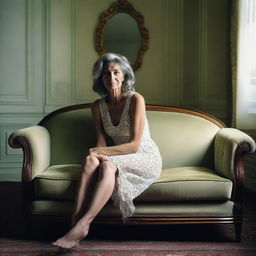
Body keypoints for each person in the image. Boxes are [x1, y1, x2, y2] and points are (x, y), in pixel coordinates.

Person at [52, 53, 162, 249]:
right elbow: (102, 142)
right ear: (100, 79)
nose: (111, 78)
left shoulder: (136, 99)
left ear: (124, 76)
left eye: (116, 72)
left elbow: (135, 145)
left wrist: (98, 152)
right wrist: (95, 155)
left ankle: (84, 225)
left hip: (143, 155)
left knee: (107, 165)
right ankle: (74, 223)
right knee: (89, 161)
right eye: (106, 74)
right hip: (116, 154)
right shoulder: (98, 107)